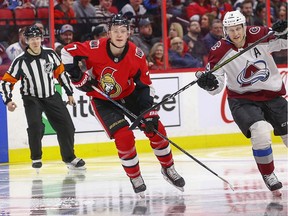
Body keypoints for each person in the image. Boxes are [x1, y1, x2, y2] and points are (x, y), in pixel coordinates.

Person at [61, 14, 185, 196]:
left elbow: (145, 86)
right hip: (102, 100)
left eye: (123, 31)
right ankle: (135, 176)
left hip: (129, 95)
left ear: (129, 33)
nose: (119, 35)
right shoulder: (95, 47)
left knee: (156, 128)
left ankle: (168, 168)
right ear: (109, 33)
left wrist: (146, 112)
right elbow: (66, 52)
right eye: (115, 31)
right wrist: (78, 78)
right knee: (124, 136)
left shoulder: (137, 55)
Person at [196, 11, 287, 196]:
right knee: (260, 131)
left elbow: (284, 42)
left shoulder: (259, 34)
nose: (236, 33)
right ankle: (268, 174)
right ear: (225, 31)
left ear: (244, 27)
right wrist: (209, 83)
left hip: (272, 95)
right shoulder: (219, 51)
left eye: (238, 28)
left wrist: (284, 31)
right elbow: (216, 88)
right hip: (243, 100)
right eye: (231, 30)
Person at [0, 25, 86, 171]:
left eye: (37, 38)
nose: (35, 41)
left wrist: (69, 93)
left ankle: (69, 158)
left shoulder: (51, 54)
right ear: (26, 41)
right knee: (36, 127)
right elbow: (7, 81)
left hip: (51, 96)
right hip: (31, 98)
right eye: (32, 39)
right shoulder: (20, 61)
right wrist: (8, 100)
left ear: (41, 39)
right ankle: (36, 157)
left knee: (67, 127)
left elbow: (61, 74)